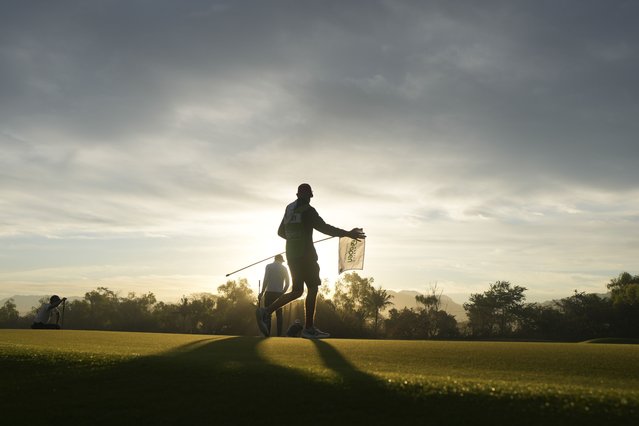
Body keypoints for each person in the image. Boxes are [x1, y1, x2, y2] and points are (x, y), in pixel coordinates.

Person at [256, 183, 365, 339]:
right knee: (313, 288)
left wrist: (294, 239)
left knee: (297, 291)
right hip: (306, 256)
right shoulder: (308, 211)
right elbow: (325, 228)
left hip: (292, 255)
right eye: (309, 196)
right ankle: (309, 328)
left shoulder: (289, 209)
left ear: (297, 195)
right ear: (309, 196)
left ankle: (265, 311)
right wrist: (348, 233)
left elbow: (281, 232)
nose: (309, 199)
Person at [259, 254, 290, 336]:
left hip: (269, 293)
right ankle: (279, 335)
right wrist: (283, 292)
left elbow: (265, 280)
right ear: (281, 260)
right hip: (279, 294)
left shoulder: (268, 266)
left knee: (267, 314)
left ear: (275, 259)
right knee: (279, 315)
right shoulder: (284, 268)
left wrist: (262, 292)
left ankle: (267, 334)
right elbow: (288, 283)